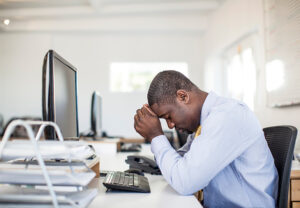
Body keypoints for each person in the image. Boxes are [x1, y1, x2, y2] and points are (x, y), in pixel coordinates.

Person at [134, 70, 278, 208]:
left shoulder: (226, 115)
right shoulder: (206, 122)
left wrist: (156, 136)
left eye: (168, 117)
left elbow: (185, 182)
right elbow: (183, 164)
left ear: (183, 96)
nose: (170, 125)